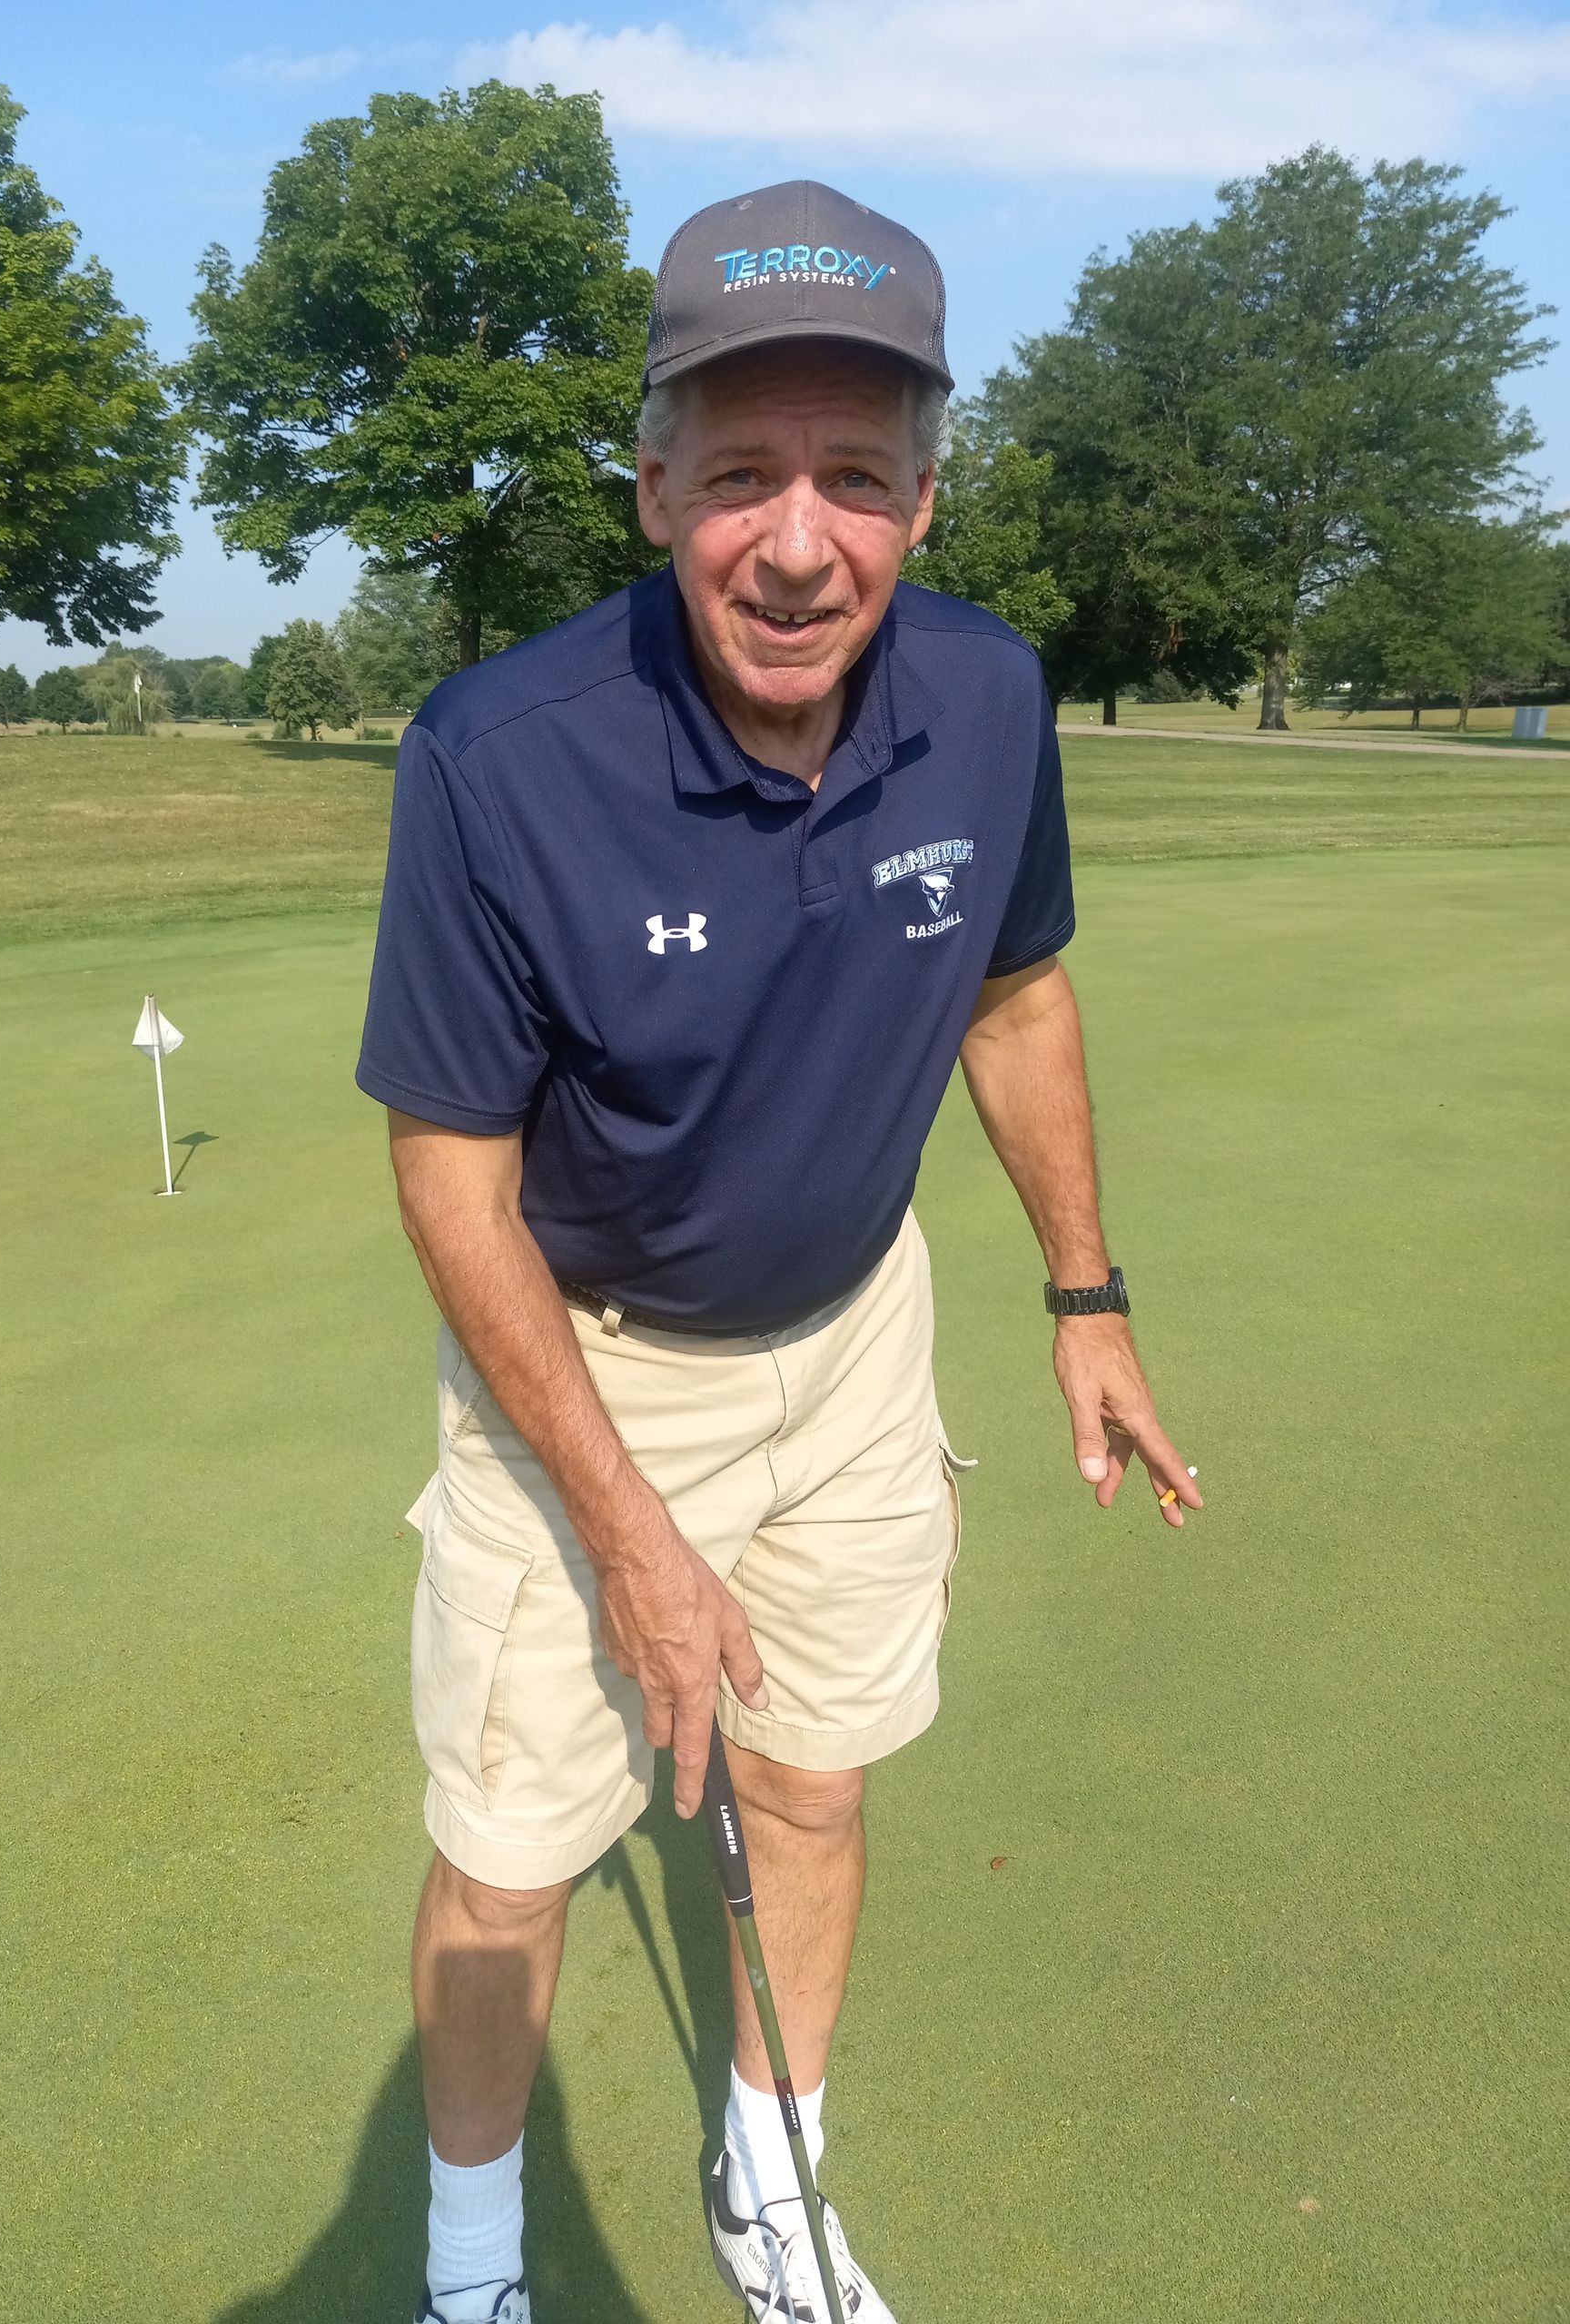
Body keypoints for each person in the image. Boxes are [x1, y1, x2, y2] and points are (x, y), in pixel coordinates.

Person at [356, 178, 1202, 2324]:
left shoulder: (994, 703)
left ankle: (771, 2179)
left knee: (812, 1783)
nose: (798, 539)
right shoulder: (495, 756)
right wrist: (630, 1526)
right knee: (516, 1852)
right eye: (739, 474)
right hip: (590, 1359)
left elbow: (1015, 998)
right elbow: (450, 1172)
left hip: (855, 1336)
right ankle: (474, 2274)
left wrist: (1084, 1290)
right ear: (653, 488)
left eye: (854, 473)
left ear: (929, 491)